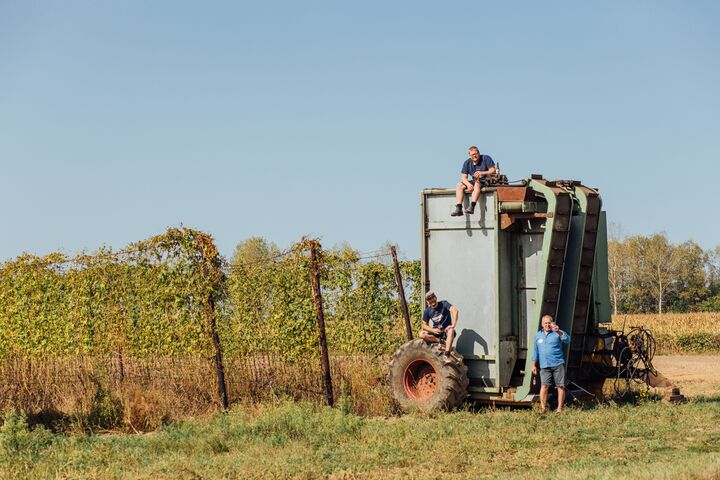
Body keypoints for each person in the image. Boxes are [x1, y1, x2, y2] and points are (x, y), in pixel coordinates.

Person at [532, 314, 570, 413]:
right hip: (544, 365)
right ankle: (543, 408)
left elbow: (567, 340)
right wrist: (533, 365)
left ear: (552, 323)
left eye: (549, 323)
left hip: (557, 363)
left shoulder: (557, 333)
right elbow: (535, 351)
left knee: (560, 386)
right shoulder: (538, 336)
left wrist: (558, 331)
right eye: (545, 323)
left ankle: (560, 408)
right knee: (544, 386)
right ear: (542, 324)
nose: (547, 325)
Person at [451, 146, 496, 216]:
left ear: (479, 153)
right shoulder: (467, 162)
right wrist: (468, 184)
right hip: (475, 180)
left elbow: (493, 170)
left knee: (477, 184)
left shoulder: (486, 158)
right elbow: (463, 177)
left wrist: (482, 173)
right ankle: (459, 208)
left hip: (486, 180)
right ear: (469, 155)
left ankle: (472, 206)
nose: (475, 156)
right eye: (472, 154)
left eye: (476, 154)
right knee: (459, 185)